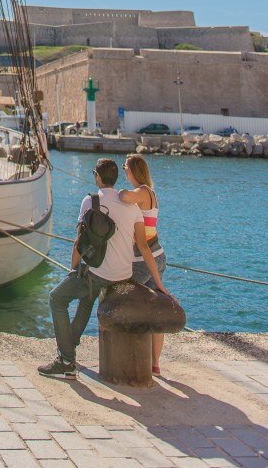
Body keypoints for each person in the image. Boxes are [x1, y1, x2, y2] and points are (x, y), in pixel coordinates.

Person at [38, 157, 168, 380]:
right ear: (117, 177)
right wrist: (159, 284)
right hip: (124, 274)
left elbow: (79, 241)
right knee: (86, 298)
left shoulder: (90, 201)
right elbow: (144, 246)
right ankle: (69, 350)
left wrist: (74, 269)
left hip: (99, 273)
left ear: (97, 177)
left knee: (56, 298)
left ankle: (66, 361)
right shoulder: (132, 206)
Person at [119, 154, 167, 374]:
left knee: (121, 300)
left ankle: (128, 357)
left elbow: (125, 197)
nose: (124, 172)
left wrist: (116, 192)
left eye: (125, 168)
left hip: (141, 259)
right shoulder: (151, 192)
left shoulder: (142, 192)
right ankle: (155, 362)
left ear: (132, 171)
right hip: (157, 255)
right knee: (154, 308)